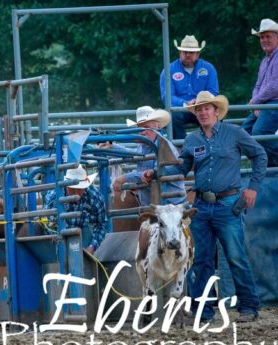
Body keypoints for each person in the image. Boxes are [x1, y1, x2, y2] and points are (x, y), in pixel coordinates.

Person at [180, 91, 267, 323]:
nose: (203, 112)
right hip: (201, 206)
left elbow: (259, 155)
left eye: (207, 108)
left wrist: (253, 187)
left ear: (216, 111)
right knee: (202, 259)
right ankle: (203, 311)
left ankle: (248, 306)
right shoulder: (192, 141)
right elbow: (181, 169)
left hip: (228, 204)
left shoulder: (234, 133)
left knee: (235, 256)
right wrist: (152, 173)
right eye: (199, 109)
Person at [104, 107, 187, 205]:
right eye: (140, 128)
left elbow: (152, 174)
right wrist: (113, 147)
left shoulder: (163, 146)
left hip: (171, 206)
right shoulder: (145, 144)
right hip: (156, 204)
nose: (143, 131)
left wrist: (124, 178)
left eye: (146, 127)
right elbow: (135, 155)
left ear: (157, 126)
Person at [160, 35, 219, 139]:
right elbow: (167, 97)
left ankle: (213, 146)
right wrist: (185, 104)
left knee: (217, 115)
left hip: (202, 107)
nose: (187, 55)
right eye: (184, 52)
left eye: (191, 52)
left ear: (198, 54)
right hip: (180, 110)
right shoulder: (168, 70)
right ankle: (182, 149)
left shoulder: (209, 68)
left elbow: (213, 92)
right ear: (180, 53)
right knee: (173, 116)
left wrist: (200, 101)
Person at [43, 165, 107, 254]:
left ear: (85, 186)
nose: (76, 194)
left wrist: (92, 246)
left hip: (84, 235)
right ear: (66, 186)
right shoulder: (53, 197)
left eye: (80, 189)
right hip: (59, 236)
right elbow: (47, 224)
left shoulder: (95, 197)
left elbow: (101, 225)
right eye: (72, 189)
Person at [242, 18, 278, 167]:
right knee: (243, 133)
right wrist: (254, 102)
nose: (264, 40)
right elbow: (258, 85)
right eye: (262, 37)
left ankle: (269, 167)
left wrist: (255, 101)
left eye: (268, 36)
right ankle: (268, 166)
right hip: (264, 104)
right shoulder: (264, 61)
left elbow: (275, 86)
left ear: (277, 37)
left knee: (259, 133)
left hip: (275, 103)